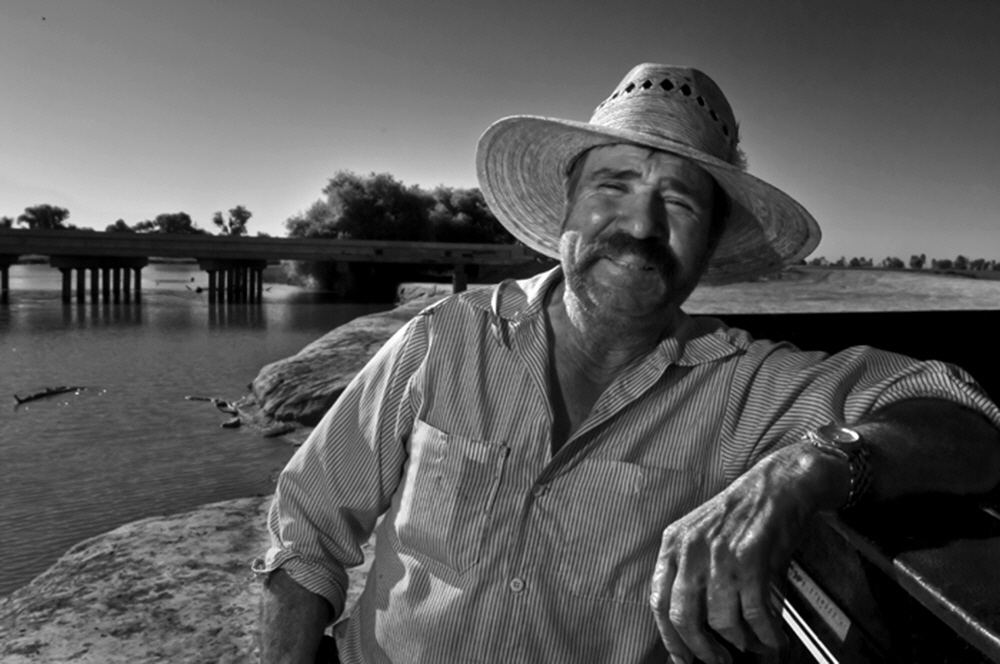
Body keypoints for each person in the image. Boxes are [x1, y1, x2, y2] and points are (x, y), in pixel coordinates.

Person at [255, 63, 1000, 664]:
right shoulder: (444, 339)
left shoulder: (743, 387)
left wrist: (806, 469)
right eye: (614, 186)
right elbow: (307, 530)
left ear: (707, 244)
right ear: (569, 205)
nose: (639, 226)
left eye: (677, 202)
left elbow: (970, 422)